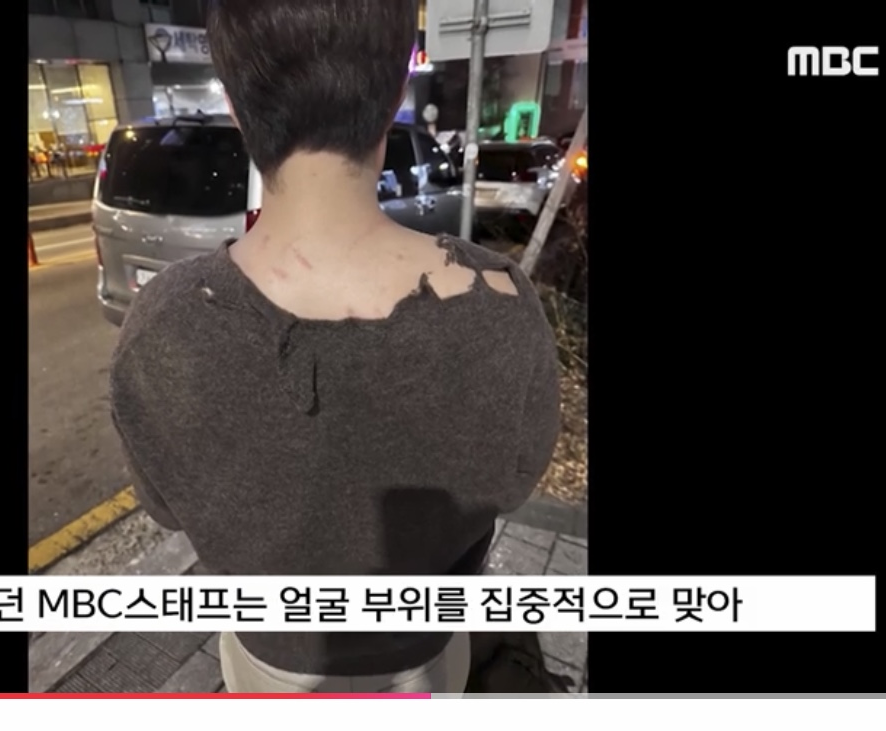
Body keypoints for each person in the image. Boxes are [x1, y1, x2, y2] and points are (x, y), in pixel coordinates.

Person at [109, 0, 561, 693]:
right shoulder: (500, 306)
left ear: (234, 106)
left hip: (266, 659)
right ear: (395, 95)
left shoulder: (160, 327)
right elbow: (514, 482)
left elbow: (166, 506)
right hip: (424, 654)